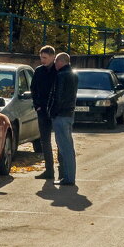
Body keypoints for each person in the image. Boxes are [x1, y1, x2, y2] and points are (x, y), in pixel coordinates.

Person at [50, 51, 78, 186]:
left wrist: (53, 112)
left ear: (61, 62)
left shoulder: (61, 75)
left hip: (61, 115)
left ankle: (68, 178)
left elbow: (58, 97)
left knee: (64, 148)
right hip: (69, 114)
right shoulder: (73, 75)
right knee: (69, 148)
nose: (54, 64)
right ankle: (70, 176)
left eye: (56, 61)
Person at [30, 44, 57, 180]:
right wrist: (37, 106)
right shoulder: (39, 71)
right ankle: (49, 170)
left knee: (59, 141)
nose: (43, 60)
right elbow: (33, 89)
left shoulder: (58, 71)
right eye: (41, 58)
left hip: (56, 110)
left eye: (45, 58)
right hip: (42, 110)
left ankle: (63, 170)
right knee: (45, 141)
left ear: (53, 57)